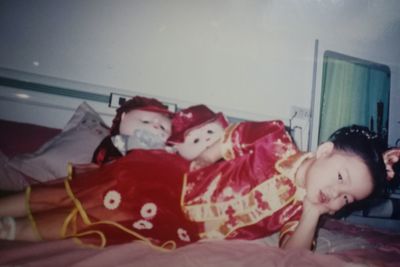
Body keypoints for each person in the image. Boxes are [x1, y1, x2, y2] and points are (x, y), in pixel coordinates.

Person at [0, 117, 389, 251]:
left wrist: (311, 212)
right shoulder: (275, 139)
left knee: (95, 221)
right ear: (323, 151)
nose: (336, 196)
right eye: (341, 179)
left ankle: (10, 229)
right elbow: (226, 141)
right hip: (172, 184)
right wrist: (199, 159)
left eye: (346, 198)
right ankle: (8, 207)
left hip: (178, 224)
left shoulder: (298, 211)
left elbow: (295, 255)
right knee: (92, 193)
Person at [92, 95, 173, 166]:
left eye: (162, 127)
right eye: (145, 121)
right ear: (123, 117)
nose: (156, 126)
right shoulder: (116, 142)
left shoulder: (169, 152)